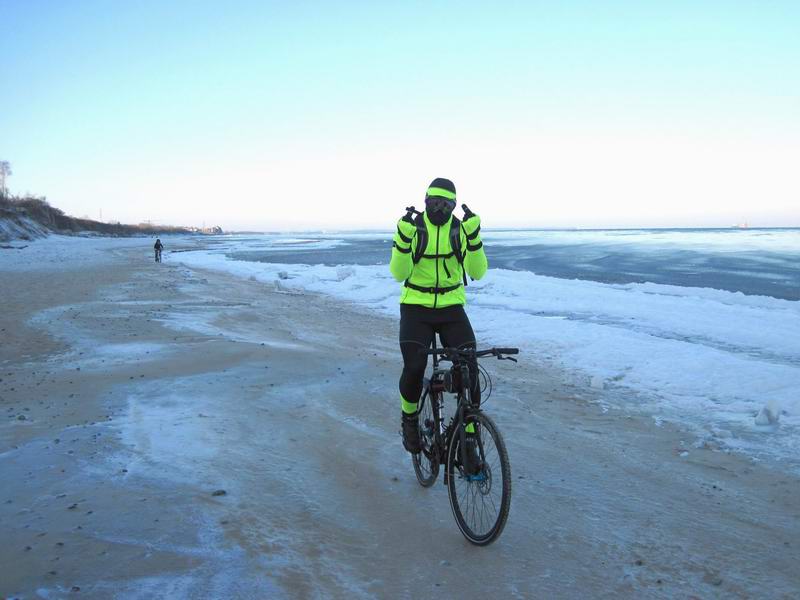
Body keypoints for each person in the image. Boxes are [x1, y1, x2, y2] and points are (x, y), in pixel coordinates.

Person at [389, 177, 488, 471]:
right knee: (414, 366)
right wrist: (403, 242)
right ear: (425, 201)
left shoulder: (460, 230)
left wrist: (474, 238)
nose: (439, 209)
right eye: (434, 203)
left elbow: (478, 272)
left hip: (451, 308)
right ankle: (409, 419)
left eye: (446, 204)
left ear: (454, 206)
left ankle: (469, 439)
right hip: (415, 309)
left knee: (469, 368)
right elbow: (398, 273)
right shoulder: (414, 228)